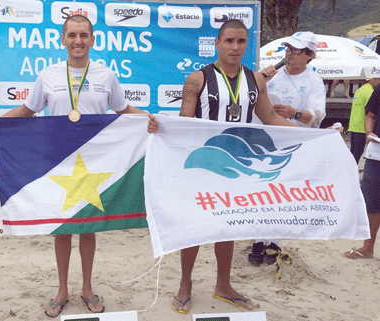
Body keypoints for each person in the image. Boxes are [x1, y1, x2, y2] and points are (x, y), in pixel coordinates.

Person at [147, 19, 298, 313]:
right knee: (194, 225)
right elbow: (185, 123)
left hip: (236, 164)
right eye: (229, 41)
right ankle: (185, 284)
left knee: (227, 223)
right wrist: (160, 125)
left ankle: (223, 285)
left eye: (241, 41)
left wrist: (313, 132)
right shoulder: (197, 79)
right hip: (203, 164)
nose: (235, 47)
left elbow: (271, 120)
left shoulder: (256, 80)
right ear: (217, 43)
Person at [3, 14, 146, 318]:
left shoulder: (106, 75)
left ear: (93, 40)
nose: (78, 41)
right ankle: (62, 290)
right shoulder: (48, 76)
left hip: (94, 162)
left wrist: (151, 119)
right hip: (58, 163)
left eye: (84, 35)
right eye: (72, 35)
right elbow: (28, 110)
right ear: (62, 40)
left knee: (89, 227)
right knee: (62, 228)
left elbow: (123, 109)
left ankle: (87, 288)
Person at [250, 31, 326, 265]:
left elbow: (318, 116)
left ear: (309, 55)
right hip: (264, 141)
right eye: (288, 48)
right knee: (260, 191)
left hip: (292, 144)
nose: (290, 53)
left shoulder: (314, 81)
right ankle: (256, 239)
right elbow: (246, 97)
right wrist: (258, 79)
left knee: (281, 194)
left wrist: (294, 113)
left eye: (296, 50)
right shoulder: (271, 74)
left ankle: (275, 242)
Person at [344, 82, 380, 260]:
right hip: (377, 152)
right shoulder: (379, 88)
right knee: (371, 200)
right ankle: (368, 247)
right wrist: (369, 132)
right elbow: (371, 115)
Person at [347, 77, 380, 163]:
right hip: (362, 126)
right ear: (372, 80)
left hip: (353, 125)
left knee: (353, 152)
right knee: (357, 153)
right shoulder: (370, 92)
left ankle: (350, 171)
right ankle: (352, 173)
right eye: (378, 80)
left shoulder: (359, 90)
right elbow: (371, 111)